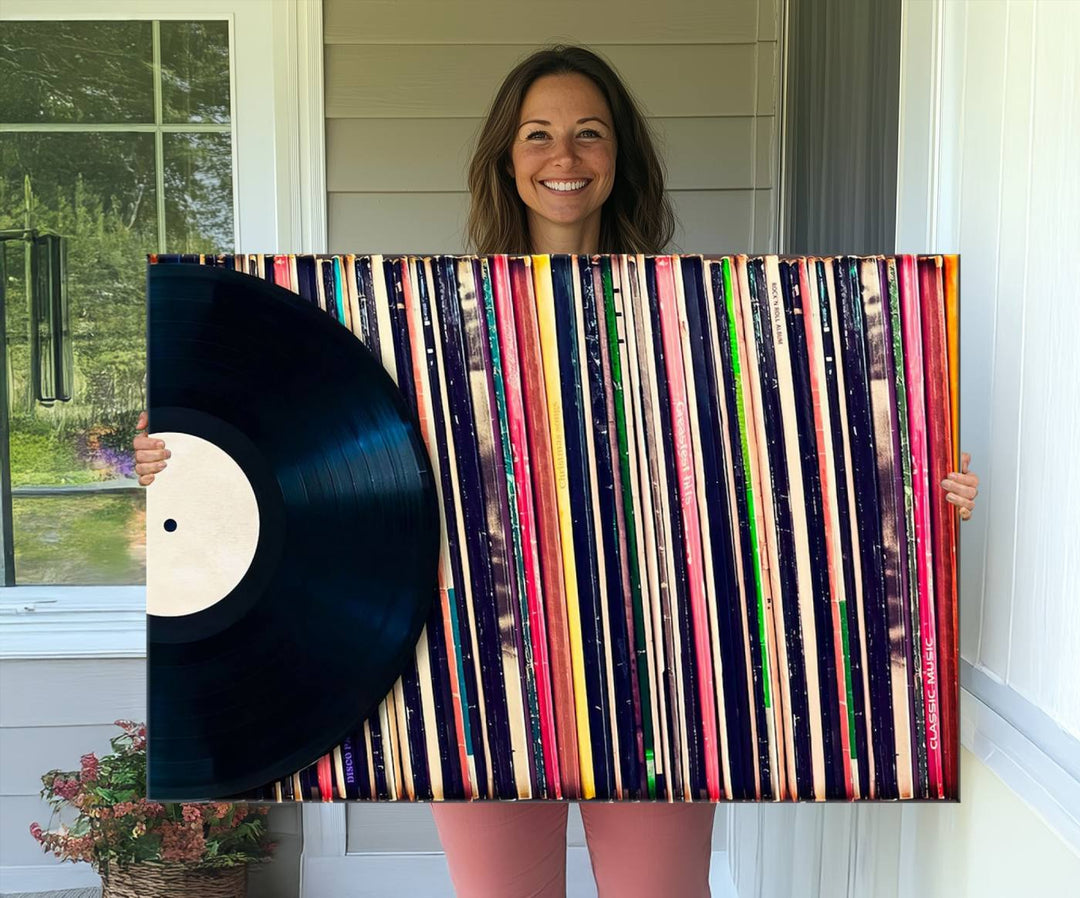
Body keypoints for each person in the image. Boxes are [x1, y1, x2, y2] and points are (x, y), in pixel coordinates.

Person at [133, 45, 981, 898]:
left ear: (620, 159)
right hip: (474, 671)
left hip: (662, 673)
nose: (564, 157)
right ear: (508, 159)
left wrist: (915, 487)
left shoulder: (703, 323)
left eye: (588, 134)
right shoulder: (424, 332)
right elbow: (315, 458)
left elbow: (795, 462)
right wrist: (185, 461)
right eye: (538, 135)